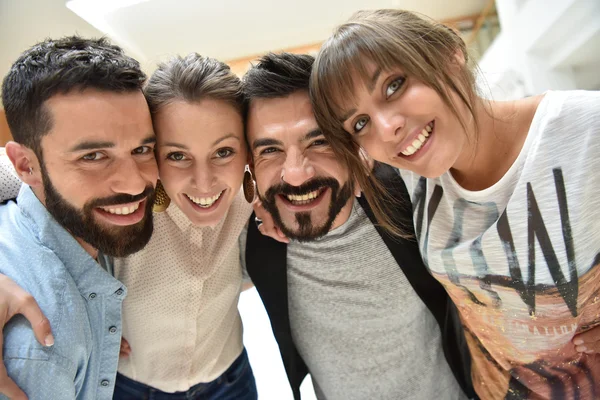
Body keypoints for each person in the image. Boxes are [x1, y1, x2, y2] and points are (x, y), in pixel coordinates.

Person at [309, 8, 600, 400]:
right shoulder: (414, 178)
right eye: (360, 123)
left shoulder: (585, 129)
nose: (386, 127)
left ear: (450, 54)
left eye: (394, 85)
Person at [0, 50, 258, 399]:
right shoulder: (124, 211)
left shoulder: (254, 197)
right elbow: (22, 175)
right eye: (176, 155)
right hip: (132, 385)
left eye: (224, 152)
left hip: (229, 376)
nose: (204, 183)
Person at [241, 52, 472, 400]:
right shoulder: (254, 238)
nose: (296, 174)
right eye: (269, 150)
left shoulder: (411, 195)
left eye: (319, 141)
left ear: (353, 144)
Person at [0, 36, 157, 399]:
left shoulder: (79, 222)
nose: (135, 183)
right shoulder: (40, 348)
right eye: (93, 156)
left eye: (142, 149)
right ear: (26, 165)